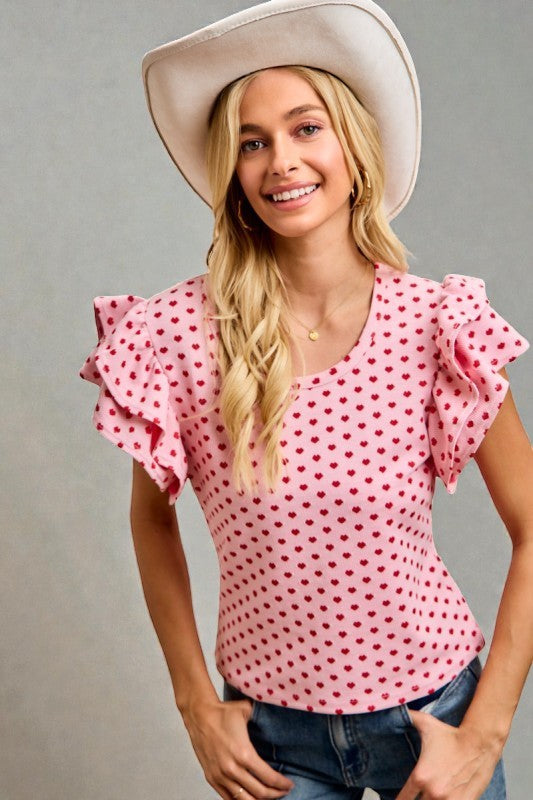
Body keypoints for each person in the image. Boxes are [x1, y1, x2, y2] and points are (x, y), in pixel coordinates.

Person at [79, 1, 532, 798]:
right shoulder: (176, 337)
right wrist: (193, 702)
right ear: (232, 171)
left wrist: (484, 733)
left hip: (431, 718)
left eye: (305, 128)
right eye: (251, 143)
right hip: (271, 737)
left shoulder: (438, 326)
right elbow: (152, 520)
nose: (279, 160)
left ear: (353, 146)